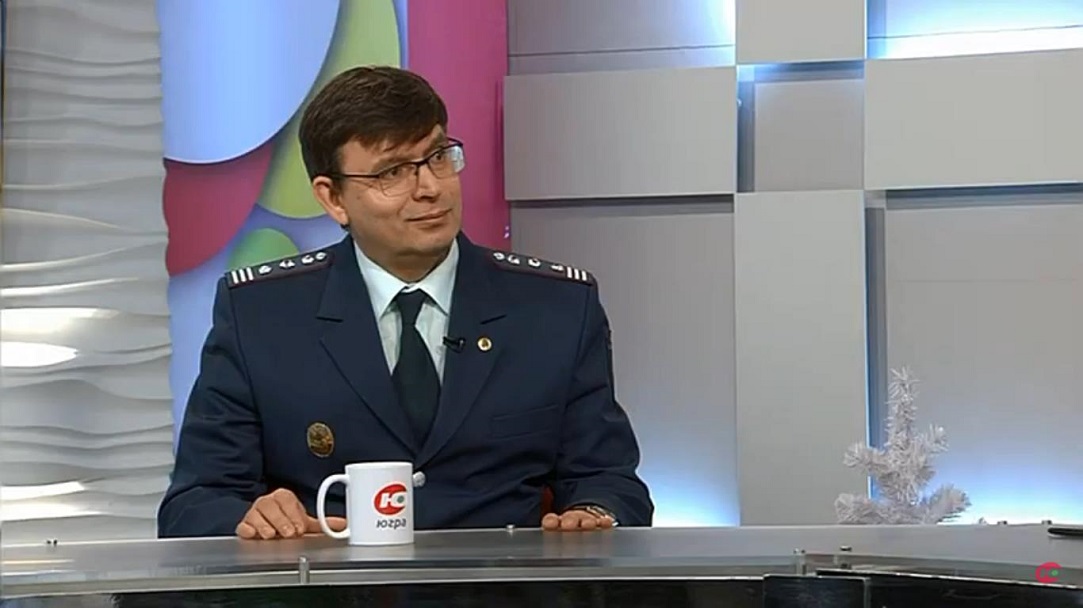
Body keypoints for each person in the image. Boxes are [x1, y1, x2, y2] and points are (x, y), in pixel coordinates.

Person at [157, 66, 653, 540]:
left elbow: (610, 481)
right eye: (392, 172)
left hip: (502, 585)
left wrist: (595, 514)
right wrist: (254, 521)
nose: (430, 188)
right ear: (332, 198)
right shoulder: (262, 317)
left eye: (438, 157)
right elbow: (194, 505)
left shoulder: (554, 309)